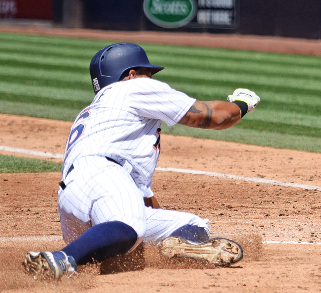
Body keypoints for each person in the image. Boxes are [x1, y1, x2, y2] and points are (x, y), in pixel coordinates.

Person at [22, 43, 260, 280]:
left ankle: (175, 246)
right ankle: (60, 260)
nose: (151, 78)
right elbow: (216, 116)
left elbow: (141, 195)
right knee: (130, 226)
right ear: (131, 75)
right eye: (147, 73)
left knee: (188, 226)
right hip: (103, 176)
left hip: (75, 203)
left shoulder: (97, 113)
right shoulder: (132, 89)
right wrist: (241, 104)